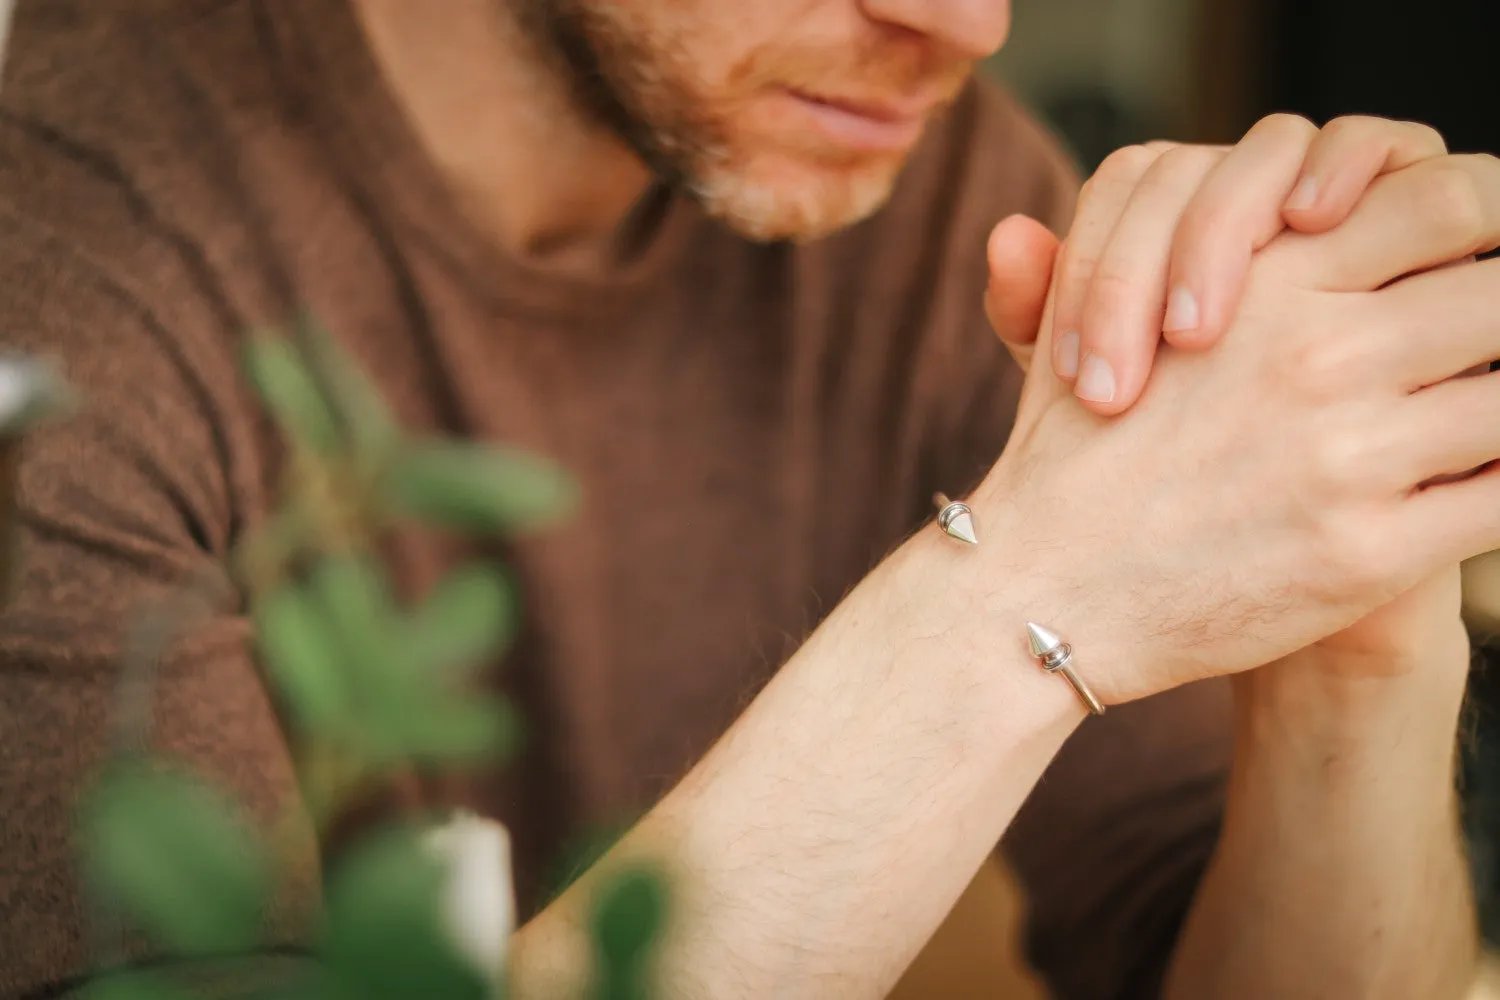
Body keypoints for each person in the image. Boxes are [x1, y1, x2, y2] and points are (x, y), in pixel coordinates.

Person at [0, 1, 1496, 998]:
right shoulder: (53, 281)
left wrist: (1353, 643)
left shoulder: (939, 206)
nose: (971, 20)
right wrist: (1023, 597)